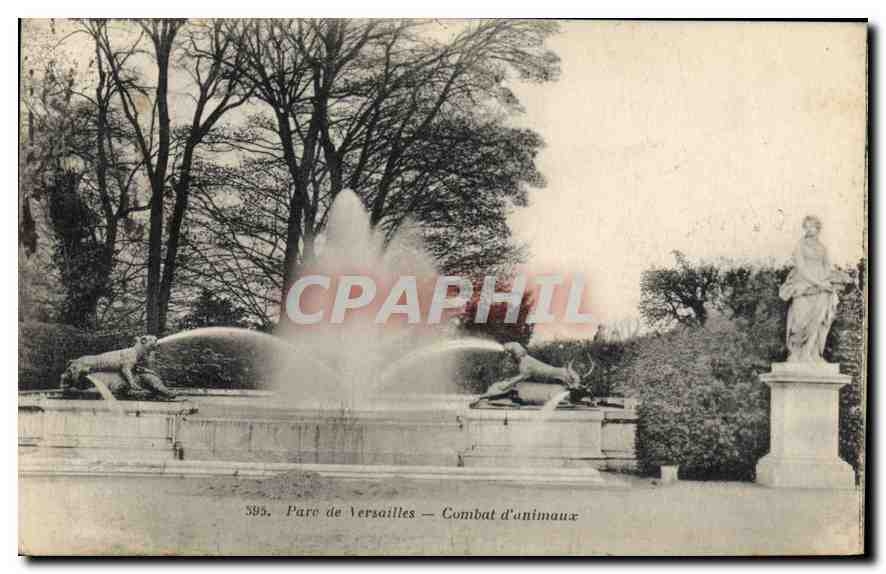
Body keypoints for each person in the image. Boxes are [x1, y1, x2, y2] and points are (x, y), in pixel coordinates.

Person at [778, 215, 850, 363]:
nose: (809, 229)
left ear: (818, 228)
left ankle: (811, 354)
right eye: (806, 226)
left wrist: (838, 278)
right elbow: (801, 268)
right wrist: (818, 283)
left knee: (818, 321)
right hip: (803, 286)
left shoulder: (823, 248)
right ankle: (795, 353)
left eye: (812, 226)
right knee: (799, 322)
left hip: (821, 288)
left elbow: (827, 267)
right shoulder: (800, 245)